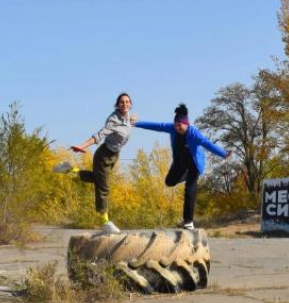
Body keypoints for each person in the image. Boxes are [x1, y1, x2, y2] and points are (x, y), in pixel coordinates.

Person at [134, 104, 228, 230]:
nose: (178, 128)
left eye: (180, 125)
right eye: (176, 125)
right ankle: (185, 175)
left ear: (186, 124)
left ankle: (188, 221)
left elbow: (208, 144)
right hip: (180, 163)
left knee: (189, 190)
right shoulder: (171, 128)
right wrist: (136, 123)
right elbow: (156, 126)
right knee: (169, 182)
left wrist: (224, 154)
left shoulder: (194, 134)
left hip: (194, 165)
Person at [54, 93, 135, 234]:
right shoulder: (113, 120)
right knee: (103, 187)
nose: (125, 104)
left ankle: (68, 169)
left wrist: (135, 120)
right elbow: (99, 135)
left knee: (97, 179)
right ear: (117, 105)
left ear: (131, 104)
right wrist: (82, 146)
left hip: (114, 156)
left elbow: (131, 123)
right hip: (103, 156)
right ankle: (105, 223)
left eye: (127, 102)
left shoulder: (129, 118)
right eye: (122, 102)